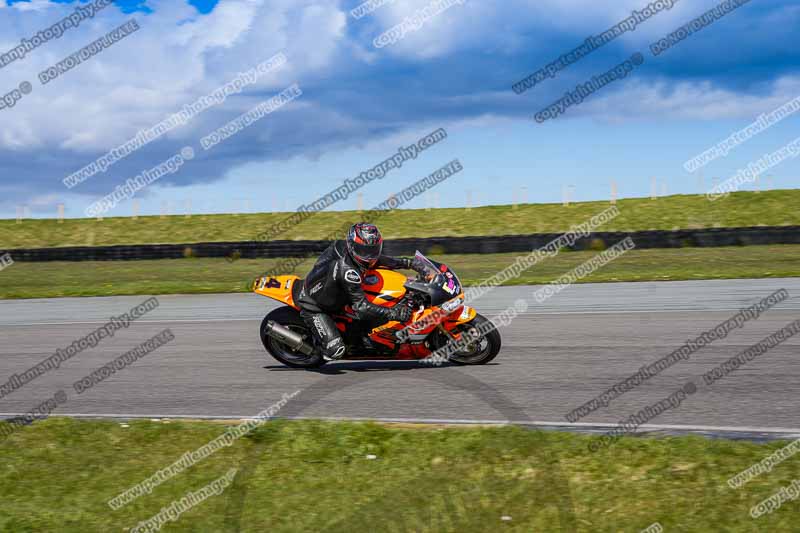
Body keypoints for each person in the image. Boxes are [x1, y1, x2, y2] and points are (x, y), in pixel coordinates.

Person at [297, 222, 425, 360]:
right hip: (316, 306)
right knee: (335, 350)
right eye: (364, 250)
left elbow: (379, 260)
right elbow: (361, 307)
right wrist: (394, 313)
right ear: (352, 246)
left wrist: (408, 263)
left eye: (373, 249)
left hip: (331, 288)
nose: (369, 255)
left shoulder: (350, 250)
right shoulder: (349, 272)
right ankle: (314, 351)